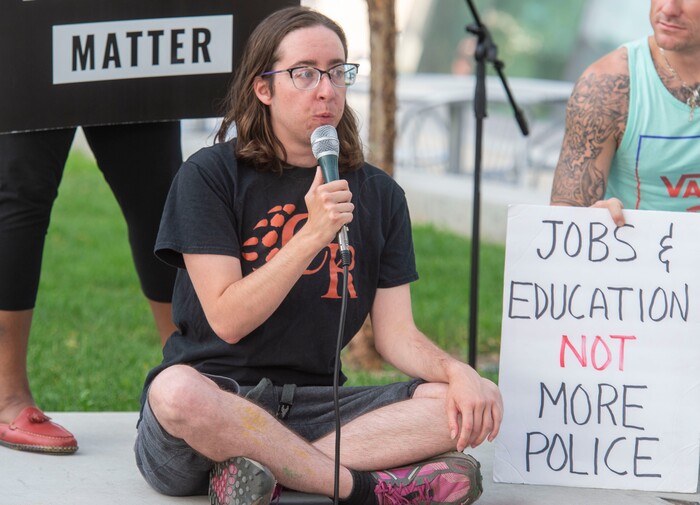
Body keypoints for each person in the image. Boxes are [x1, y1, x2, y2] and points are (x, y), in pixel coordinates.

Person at [134, 6, 503, 505]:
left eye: (337, 71)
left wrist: (460, 372)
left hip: (316, 405)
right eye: (304, 73)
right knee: (175, 392)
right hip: (216, 397)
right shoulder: (210, 176)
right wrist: (312, 234)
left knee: (462, 404)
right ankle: (359, 486)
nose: (326, 89)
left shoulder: (379, 194)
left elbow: (396, 337)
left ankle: (258, 469)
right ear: (263, 89)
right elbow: (228, 319)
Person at [0, 122, 180, 454]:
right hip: (27, 72)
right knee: (21, 188)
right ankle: (6, 396)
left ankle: (190, 379)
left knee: (159, 192)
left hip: (131, 72)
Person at [551, 0, 700, 224]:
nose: (668, 9)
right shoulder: (607, 87)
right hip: (636, 253)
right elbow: (562, 226)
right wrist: (591, 218)